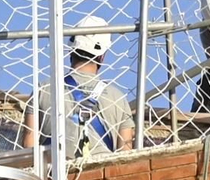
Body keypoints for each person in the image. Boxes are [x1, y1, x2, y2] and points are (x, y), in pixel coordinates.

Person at [25, 14, 136, 159]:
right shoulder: (118, 98)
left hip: (54, 175)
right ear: (102, 56)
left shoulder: (43, 89)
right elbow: (125, 157)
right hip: (100, 176)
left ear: (71, 50)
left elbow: (29, 148)